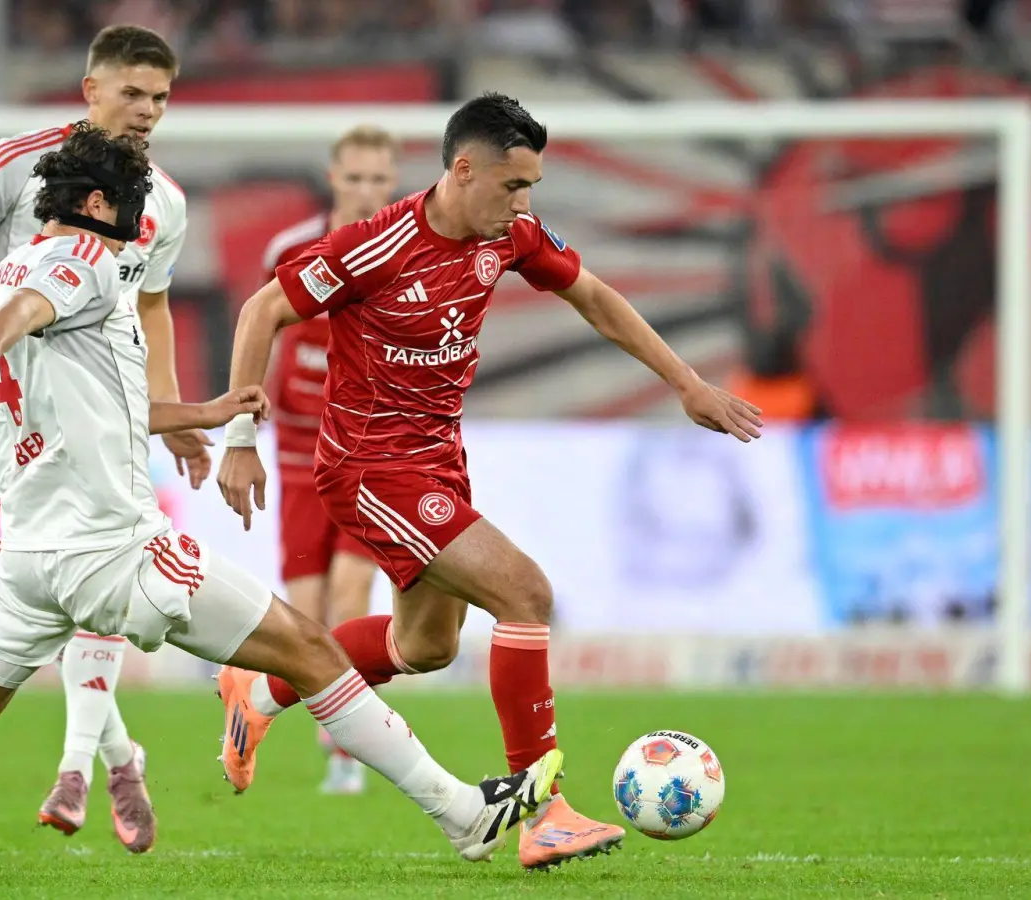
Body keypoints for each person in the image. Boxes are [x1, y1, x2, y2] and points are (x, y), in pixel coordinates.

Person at [0, 126, 561, 879]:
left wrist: (198, 411)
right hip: (116, 553)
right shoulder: (83, 255)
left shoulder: (26, 260)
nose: (146, 216)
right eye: (136, 196)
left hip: (25, 562)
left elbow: (87, 384)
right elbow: (29, 306)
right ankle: (460, 813)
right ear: (99, 202)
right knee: (313, 649)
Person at [214, 93, 763, 870]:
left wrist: (686, 383)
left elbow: (595, 298)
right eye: (514, 186)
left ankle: (261, 688)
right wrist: (241, 434)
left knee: (424, 647)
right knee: (524, 593)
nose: (524, 202)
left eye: (532, 186)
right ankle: (543, 810)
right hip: (371, 467)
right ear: (463, 170)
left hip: (437, 459)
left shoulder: (507, 238)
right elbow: (262, 308)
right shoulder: (377, 244)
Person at [0, 24, 196, 850]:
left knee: (99, 568)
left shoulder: (165, 201)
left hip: (107, 410)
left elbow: (152, 307)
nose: (146, 111)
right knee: (78, 575)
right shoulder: (13, 162)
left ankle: (80, 767)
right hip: (19, 417)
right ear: (91, 90)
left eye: (160, 98)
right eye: (132, 93)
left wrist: (171, 413)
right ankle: (117, 757)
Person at [258, 124, 399, 795]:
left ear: (393, 183)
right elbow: (266, 324)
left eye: (379, 179)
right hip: (296, 451)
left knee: (352, 593)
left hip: (368, 452)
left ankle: (347, 748)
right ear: (334, 177)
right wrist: (246, 401)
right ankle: (328, 729)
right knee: (306, 613)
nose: (367, 191)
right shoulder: (289, 250)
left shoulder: (406, 253)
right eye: (356, 177)